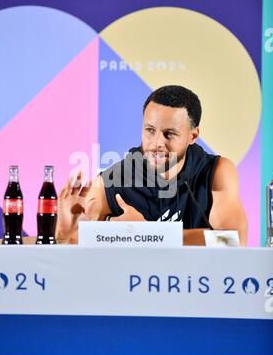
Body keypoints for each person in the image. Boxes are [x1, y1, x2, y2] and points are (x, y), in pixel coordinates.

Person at [56, 85, 248, 246]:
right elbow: (74, 245)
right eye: (150, 130)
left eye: (169, 134)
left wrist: (148, 232)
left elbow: (233, 241)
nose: (157, 143)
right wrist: (63, 235)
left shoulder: (216, 171)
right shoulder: (113, 181)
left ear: (193, 136)